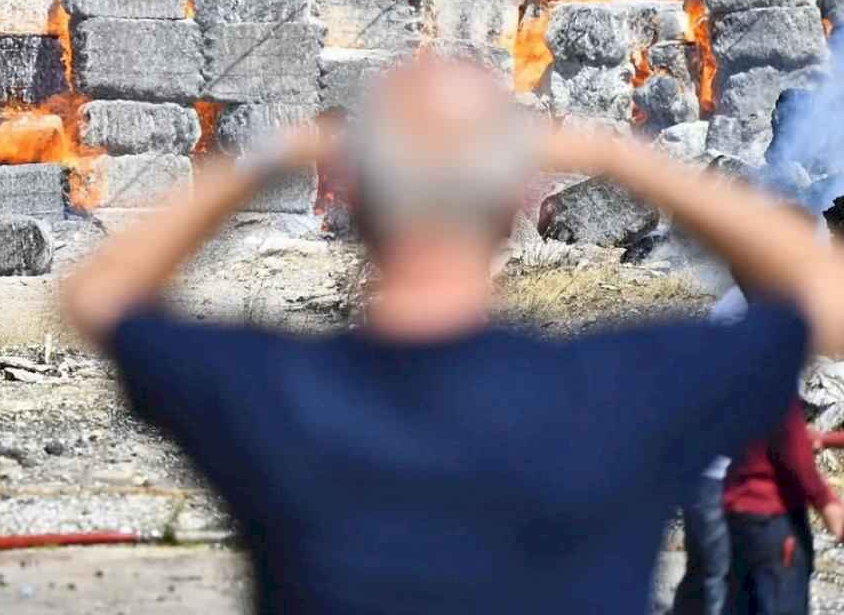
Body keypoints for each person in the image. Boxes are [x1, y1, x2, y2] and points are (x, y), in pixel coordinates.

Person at [62, 54, 844, 614]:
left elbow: (98, 296)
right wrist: (620, 157)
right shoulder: (625, 387)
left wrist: (275, 155)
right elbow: (822, 295)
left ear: (353, 201)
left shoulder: (273, 392)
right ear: (513, 208)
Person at [725, 395, 844, 615]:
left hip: (741, 512)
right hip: (772, 518)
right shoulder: (772, 376)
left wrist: (825, 439)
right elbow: (790, 441)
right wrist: (826, 502)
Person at [670, 287, 747, 615]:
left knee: (712, 572)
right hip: (714, 472)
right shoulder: (742, 309)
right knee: (713, 574)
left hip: (729, 471)